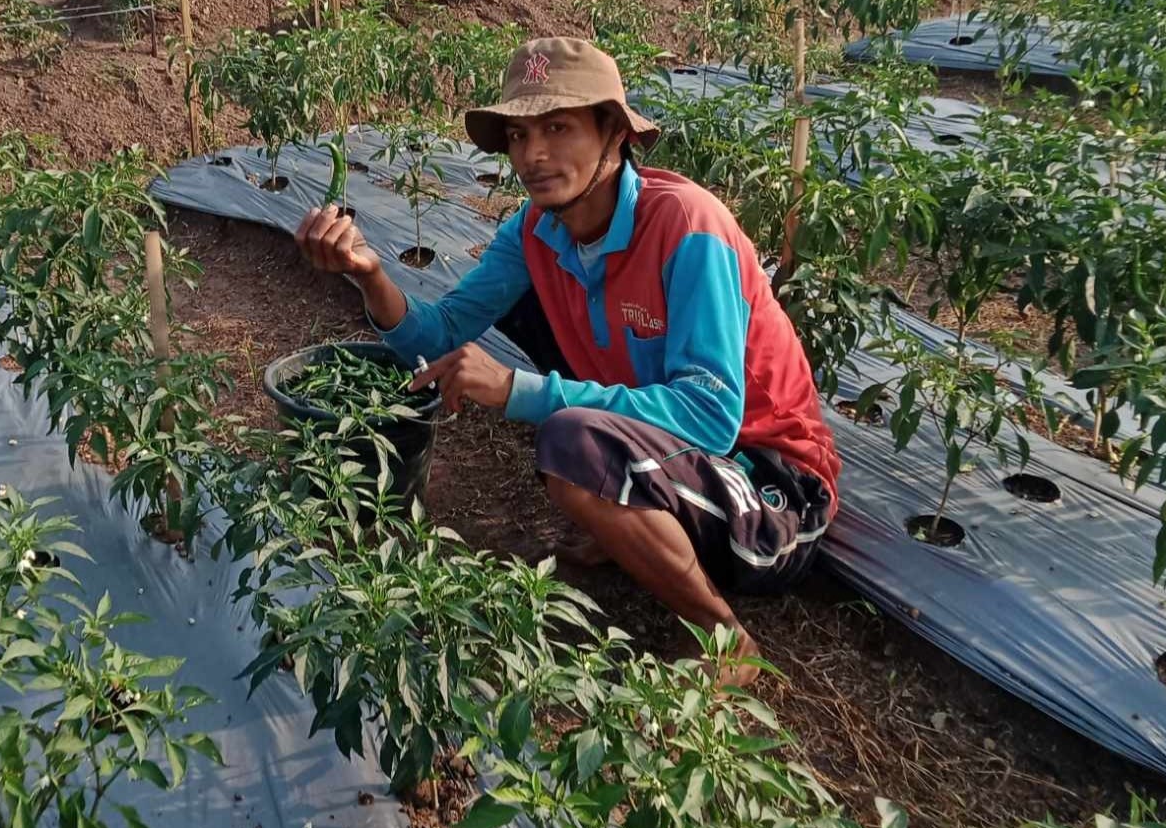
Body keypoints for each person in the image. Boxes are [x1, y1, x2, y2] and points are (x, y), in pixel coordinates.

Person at [295, 35, 839, 677]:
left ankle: (728, 641)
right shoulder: (536, 231)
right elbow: (438, 334)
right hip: (682, 460)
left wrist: (520, 389)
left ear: (615, 133)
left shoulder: (687, 226)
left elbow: (711, 414)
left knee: (572, 442)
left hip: (772, 487)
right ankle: (628, 520)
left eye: (559, 128)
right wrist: (368, 276)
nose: (533, 155)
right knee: (536, 335)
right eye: (519, 135)